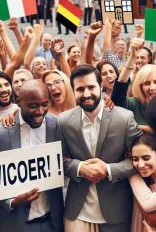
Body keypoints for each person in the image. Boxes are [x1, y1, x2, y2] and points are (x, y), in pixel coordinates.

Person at [59, 64, 143, 231]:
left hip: (116, 209)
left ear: (101, 86)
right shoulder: (64, 121)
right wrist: (80, 168)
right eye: (80, 89)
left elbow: (141, 158)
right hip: (78, 210)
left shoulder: (124, 118)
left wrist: (109, 169)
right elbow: (58, 160)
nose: (87, 94)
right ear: (73, 91)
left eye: (91, 87)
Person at [0, 80, 65, 231]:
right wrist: (12, 202)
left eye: (45, 104)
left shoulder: (59, 126)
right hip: (16, 224)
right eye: (33, 106)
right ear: (18, 102)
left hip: (53, 222)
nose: (40, 111)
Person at [112, 38, 156, 126]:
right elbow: (118, 97)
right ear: (140, 87)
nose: (152, 88)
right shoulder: (136, 104)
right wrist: (132, 57)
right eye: (147, 83)